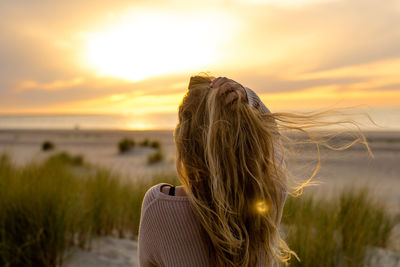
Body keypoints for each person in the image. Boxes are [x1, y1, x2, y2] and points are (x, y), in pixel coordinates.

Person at [137, 75, 370, 267]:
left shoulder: (158, 207)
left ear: (184, 139)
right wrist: (248, 97)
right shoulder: (269, 195)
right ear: (248, 137)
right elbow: (273, 135)